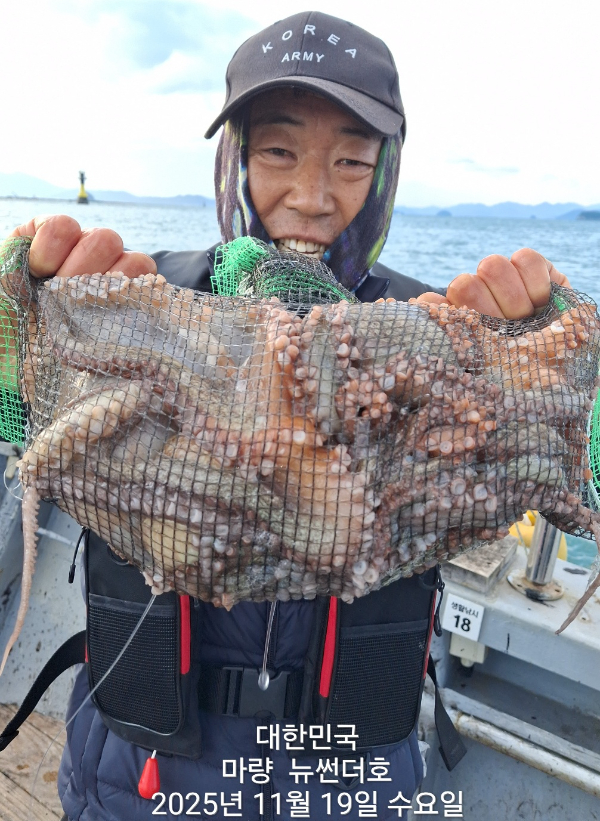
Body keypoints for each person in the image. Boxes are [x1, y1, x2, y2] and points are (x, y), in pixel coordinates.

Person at [6, 11, 571, 821]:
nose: (311, 196)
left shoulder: (446, 337)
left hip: (349, 780)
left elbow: (537, 460)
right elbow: (30, 414)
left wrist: (540, 375)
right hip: (144, 772)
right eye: (277, 151)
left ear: (385, 173)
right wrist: (28, 319)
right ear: (232, 158)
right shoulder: (140, 305)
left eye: (351, 160)